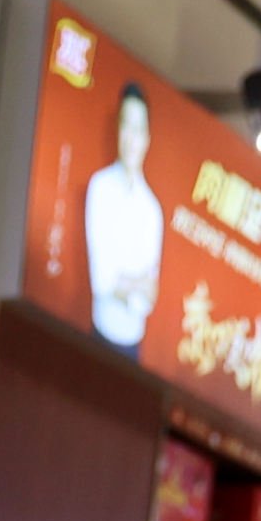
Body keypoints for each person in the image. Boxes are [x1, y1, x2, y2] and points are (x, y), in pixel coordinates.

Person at [81, 82, 162, 349]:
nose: (131, 138)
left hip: (133, 345)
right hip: (100, 334)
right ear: (118, 129)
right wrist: (133, 285)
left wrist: (124, 283)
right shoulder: (100, 187)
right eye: (126, 126)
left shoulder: (152, 210)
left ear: (147, 139)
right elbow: (101, 280)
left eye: (138, 130)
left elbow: (149, 296)